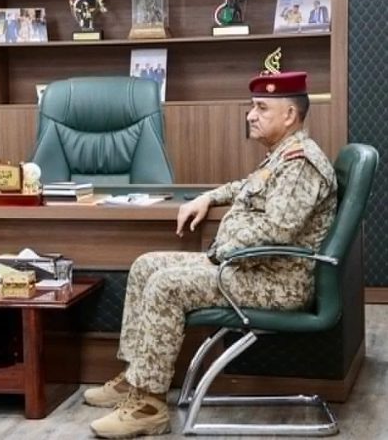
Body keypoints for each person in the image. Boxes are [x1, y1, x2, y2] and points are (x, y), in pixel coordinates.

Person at [84, 71, 337, 438]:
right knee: (145, 266)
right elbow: (248, 188)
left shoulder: (300, 163)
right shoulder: (282, 156)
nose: (250, 115)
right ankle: (135, 379)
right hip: (252, 268)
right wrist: (209, 197)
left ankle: (149, 408)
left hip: (276, 281)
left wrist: (222, 249)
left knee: (166, 285)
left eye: (261, 108)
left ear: (289, 115)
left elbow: (277, 230)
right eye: (252, 107)